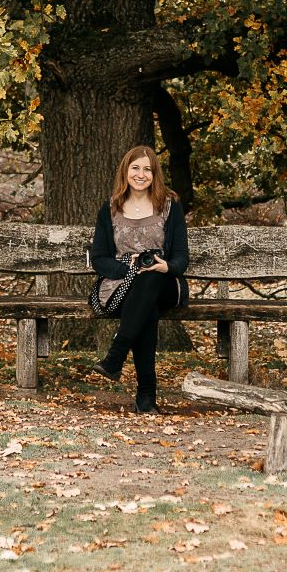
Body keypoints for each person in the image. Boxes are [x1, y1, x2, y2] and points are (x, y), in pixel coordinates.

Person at [87, 144, 188, 413]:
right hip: (122, 285)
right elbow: (99, 258)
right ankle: (146, 397)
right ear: (126, 171)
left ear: (155, 174)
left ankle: (116, 356)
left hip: (164, 282)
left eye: (147, 169)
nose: (141, 175)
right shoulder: (110, 208)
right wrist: (128, 268)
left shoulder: (169, 206)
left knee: (150, 279)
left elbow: (182, 256)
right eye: (135, 168)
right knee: (147, 308)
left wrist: (166, 266)